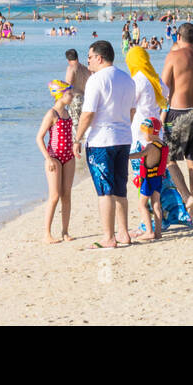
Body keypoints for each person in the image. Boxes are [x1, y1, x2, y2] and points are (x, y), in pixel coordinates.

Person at [73, 40, 137, 248]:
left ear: (99, 58)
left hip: (102, 141)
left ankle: (109, 237)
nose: (88, 61)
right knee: (120, 188)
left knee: (105, 190)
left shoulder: (96, 80)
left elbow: (88, 113)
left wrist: (78, 138)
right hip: (123, 138)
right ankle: (124, 233)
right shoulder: (127, 79)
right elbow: (132, 110)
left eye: (89, 57)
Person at [159, 22, 193, 221]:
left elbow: (163, 88)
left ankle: (186, 196)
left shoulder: (174, 56)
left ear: (178, 38)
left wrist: (159, 114)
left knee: (168, 158)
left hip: (179, 112)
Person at [37, 85, 76, 243]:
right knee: (54, 196)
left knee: (66, 195)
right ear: (59, 95)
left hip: (69, 157)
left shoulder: (67, 113)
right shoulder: (51, 114)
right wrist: (48, 158)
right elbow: (39, 138)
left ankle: (65, 232)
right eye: (69, 94)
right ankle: (47, 233)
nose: (72, 96)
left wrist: (75, 147)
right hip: (54, 157)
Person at [133, 117, 168, 240]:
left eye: (145, 130)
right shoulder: (163, 144)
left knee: (142, 205)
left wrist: (124, 156)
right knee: (156, 204)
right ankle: (158, 233)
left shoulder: (150, 147)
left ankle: (149, 231)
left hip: (148, 180)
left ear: (153, 131)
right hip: (158, 178)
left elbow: (139, 155)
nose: (143, 133)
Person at [63, 49, 88, 128]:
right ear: (77, 57)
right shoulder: (85, 68)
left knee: (75, 125)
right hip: (84, 98)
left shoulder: (71, 68)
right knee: (83, 124)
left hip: (75, 99)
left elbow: (68, 84)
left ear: (68, 60)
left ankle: (76, 140)